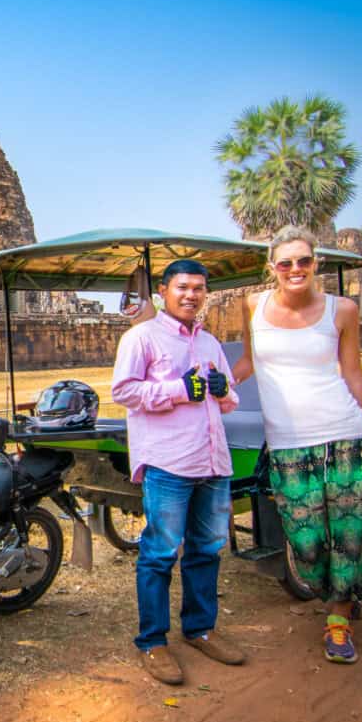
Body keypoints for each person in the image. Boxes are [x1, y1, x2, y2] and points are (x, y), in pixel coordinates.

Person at [233, 225, 362, 665]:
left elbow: (353, 373)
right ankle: (337, 589)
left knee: (348, 535)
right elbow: (247, 360)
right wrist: (212, 383)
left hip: (343, 435)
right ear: (272, 268)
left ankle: (338, 621)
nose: (295, 269)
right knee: (306, 540)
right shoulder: (252, 305)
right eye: (285, 262)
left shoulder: (343, 310)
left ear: (315, 263)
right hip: (289, 443)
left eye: (304, 261)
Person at [112, 259, 246, 685]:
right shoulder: (142, 338)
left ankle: (201, 628)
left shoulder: (210, 344)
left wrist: (226, 392)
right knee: (160, 553)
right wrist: (177, 390)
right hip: (170, 463)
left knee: (206, 549)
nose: (191, 295)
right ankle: (153, 641)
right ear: (164, 291)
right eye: (183, 287)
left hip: (212, 460)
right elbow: (124, 391)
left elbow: (227, 401)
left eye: (199, 288)